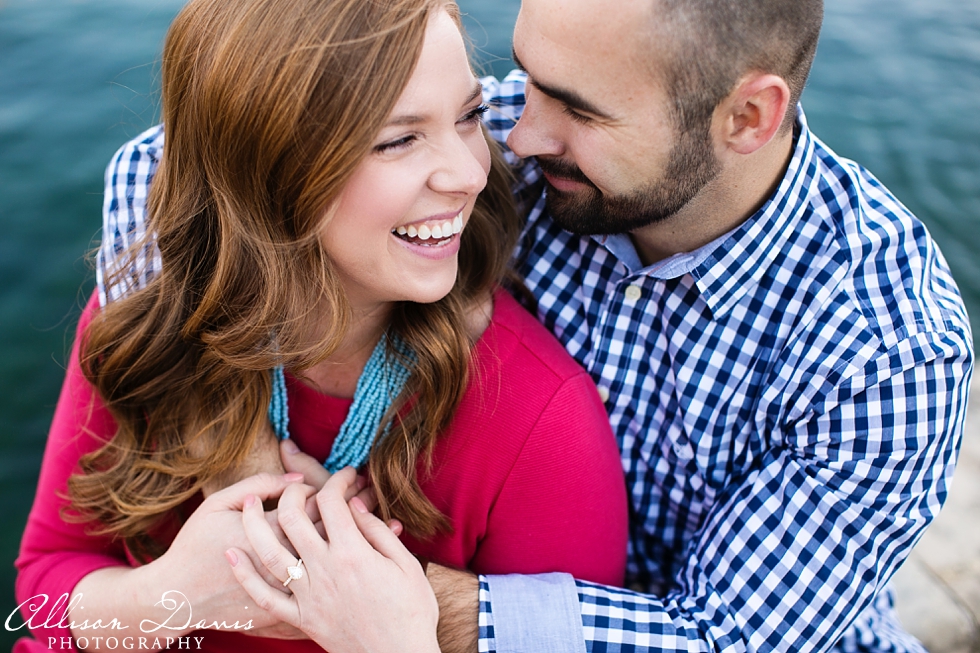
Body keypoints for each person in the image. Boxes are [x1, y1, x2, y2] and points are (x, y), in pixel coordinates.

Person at [97, 0, 974, 652]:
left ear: (747, 118)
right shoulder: (517, 141)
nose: (516, 137)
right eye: (525, 80)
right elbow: (171, 169)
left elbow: (724, 638)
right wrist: (243, 453)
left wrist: (375, 591)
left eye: (579, 111)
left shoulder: (889, 353)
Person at [13, 0, 631, 651]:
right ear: (272, 170)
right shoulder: (150, 318)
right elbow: (45, 591)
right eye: (399, 140)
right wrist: (175, 594)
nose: (470, 173)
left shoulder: (540, 422)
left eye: (469, 117)